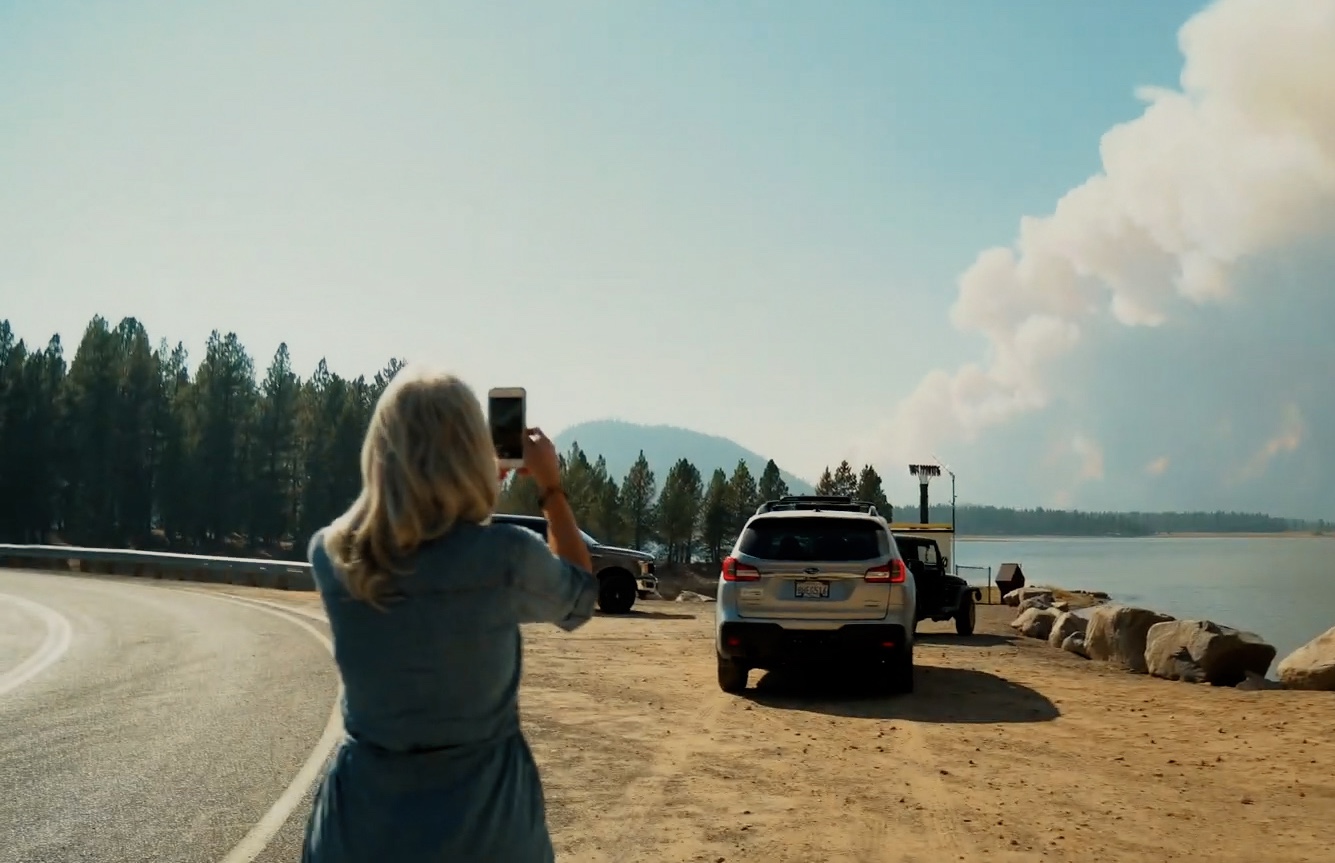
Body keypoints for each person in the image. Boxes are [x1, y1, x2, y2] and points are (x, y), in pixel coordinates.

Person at [300, 365, 598, 863]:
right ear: (471, 452)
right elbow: (580, 596)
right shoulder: (505, 559)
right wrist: (549, 487)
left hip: (359, 829)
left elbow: (413, 548)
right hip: (486, 830)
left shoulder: (332, 557)